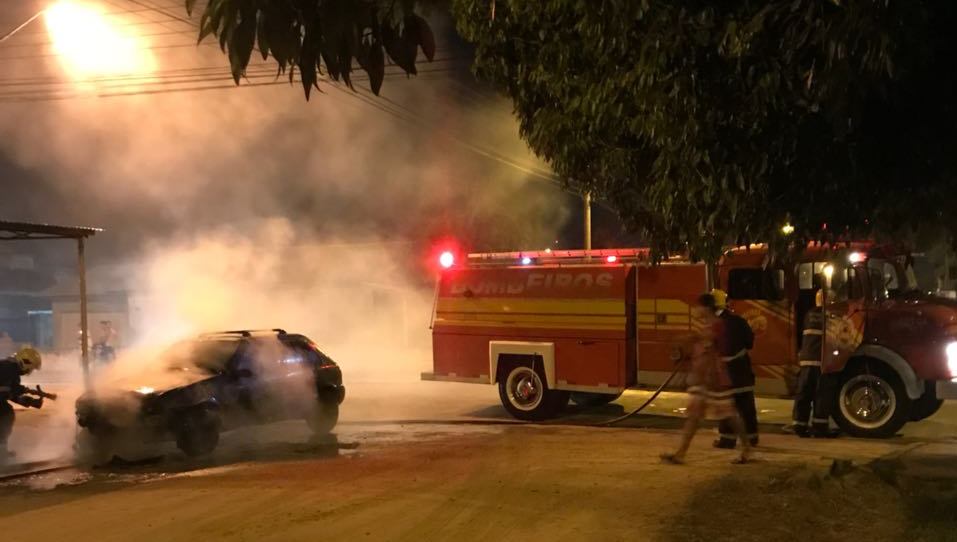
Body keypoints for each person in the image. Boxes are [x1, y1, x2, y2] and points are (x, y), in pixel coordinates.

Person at [661, 294, 752, 464]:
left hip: (713, 379)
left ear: (706, 307)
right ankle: (680, 453)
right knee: (695, 416)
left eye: (698, 306)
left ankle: (746, 448)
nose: (696, 310)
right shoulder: (709, 326)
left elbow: (713, 350)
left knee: (729, 415)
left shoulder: (716, 326)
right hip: (704, 379)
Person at [711, 289, 759, 449]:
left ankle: (727, 439)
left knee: (727, 407)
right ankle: (752, 438)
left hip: (726, 374)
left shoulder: (713, 325)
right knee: (747, 407)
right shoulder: (739, 321)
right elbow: (749, 343)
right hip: (743, 371)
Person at [0, 347, 45, 460]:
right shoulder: (8, 369)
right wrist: (19, 391)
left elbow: (10, 394)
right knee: (6, 413)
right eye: (30, 369)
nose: (28, 372)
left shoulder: (9, 368)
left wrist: (31, 402)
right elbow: (5, 393)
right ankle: (1, 451)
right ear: (25, 362)